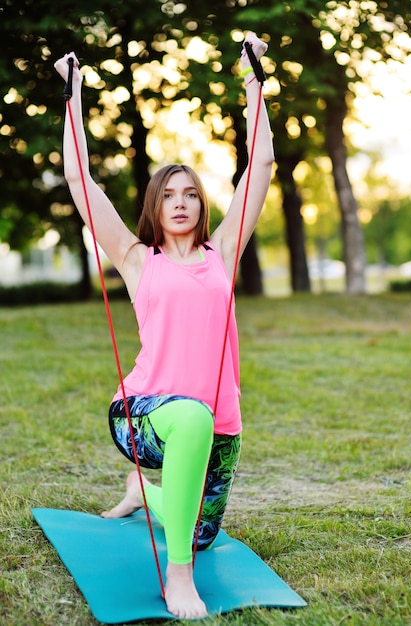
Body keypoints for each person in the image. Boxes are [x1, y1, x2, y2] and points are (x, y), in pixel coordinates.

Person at [54, 31, 273, 620]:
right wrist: (73, 99)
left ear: (203, 206)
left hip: (219, 427)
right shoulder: (135, 259)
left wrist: (255, 85)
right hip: (143, 415)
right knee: (189, 429)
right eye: (167, 194)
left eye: (190, 194)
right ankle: (179, 580)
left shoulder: (223, 252)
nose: (180, 202)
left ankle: (141, 492)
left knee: (197, 528)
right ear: (155, 206)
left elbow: (264, 166)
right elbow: (82, 185)